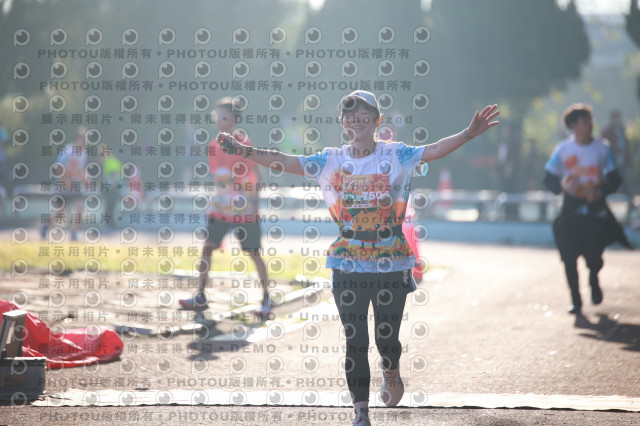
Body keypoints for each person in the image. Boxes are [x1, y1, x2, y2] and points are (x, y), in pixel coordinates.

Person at [216, 90, 499, 425]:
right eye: (349, 114)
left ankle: (391, 370)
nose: (356, 119)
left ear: (377, 120)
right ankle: (361, 413)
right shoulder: (330, 160)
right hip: (347, 260)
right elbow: (285, 161)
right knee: (356, 340)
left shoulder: (397, 154)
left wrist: (468, 134)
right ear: (343, 122)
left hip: (391, 260)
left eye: (364, 113)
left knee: (385, 338)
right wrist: (245, 152)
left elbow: (435, 149)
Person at [179, 97, 272, 319]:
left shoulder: (244, 143)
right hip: (221, 207)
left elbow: (256, 174)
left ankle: (267, 298)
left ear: (234, 119)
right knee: (207, 247)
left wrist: (253, 200)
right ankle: (200, 295)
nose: (218, 120)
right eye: (216, 116)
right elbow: (220, 177)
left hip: (244, 208)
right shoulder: (213, 145)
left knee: (253, 252)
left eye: (223, 116)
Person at [544, 103, 632, 315]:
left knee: (594, 256)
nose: (589, 124)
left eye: (590, 120)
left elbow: (614, 178)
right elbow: (548, 178)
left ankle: (594, 277)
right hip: (571, 210)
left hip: (595, 211)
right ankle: (576, 300)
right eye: (585, 121)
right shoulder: (563, 149)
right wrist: (563, 188)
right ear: (573, 125)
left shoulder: (602, 148)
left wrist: (600, 192)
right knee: (568, 256)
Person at [42, 126, 88, 241]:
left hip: (75, 186)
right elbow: (59, 168)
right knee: (61, 211)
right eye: (83, 139)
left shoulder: (83, 153)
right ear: (77, 139)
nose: (84, 142)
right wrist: (65, 182)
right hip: (64, 185)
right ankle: (45, 225)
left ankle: (74, 234)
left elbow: (80, 170)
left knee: (80, 209)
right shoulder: (68, 150)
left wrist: (85, 179)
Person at [601, 109, 634, 220]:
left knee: (625, 185)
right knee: (609, 185)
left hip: (621, 163)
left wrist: (628, 160)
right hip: (611, 165)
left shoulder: (622, 130)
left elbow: (626, 146)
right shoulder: (607, 132)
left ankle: (631, 207)